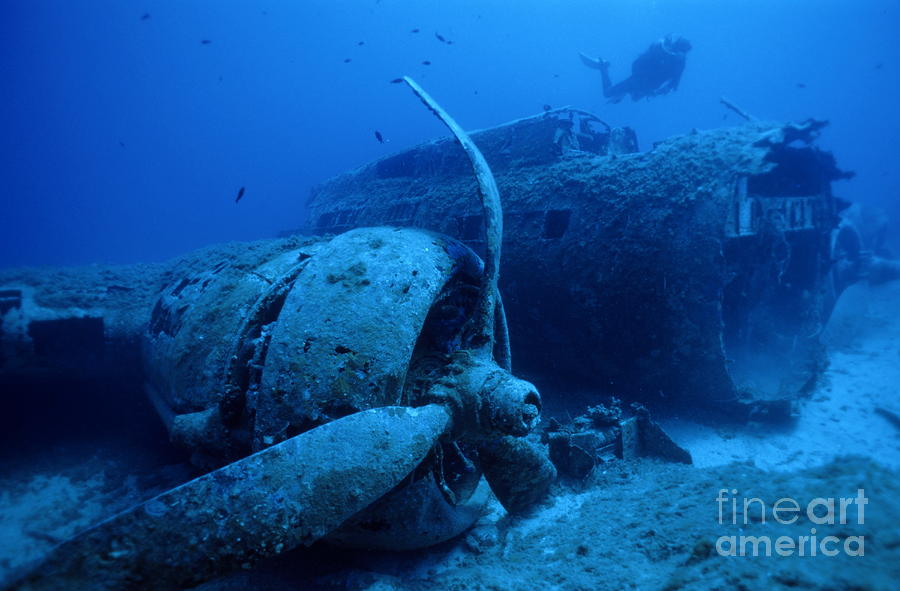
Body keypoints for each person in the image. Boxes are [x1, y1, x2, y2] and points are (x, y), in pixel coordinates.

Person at [580, 35, 692, 103]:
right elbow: (672, 85)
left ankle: (625, 92)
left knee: (631, 98)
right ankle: (602, 66)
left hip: (645, 85)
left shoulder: (679, 62)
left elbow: (673, 85)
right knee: (608, 94)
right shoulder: (667, 55)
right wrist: (654, 91)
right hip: (640, 82)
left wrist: (656, 91)